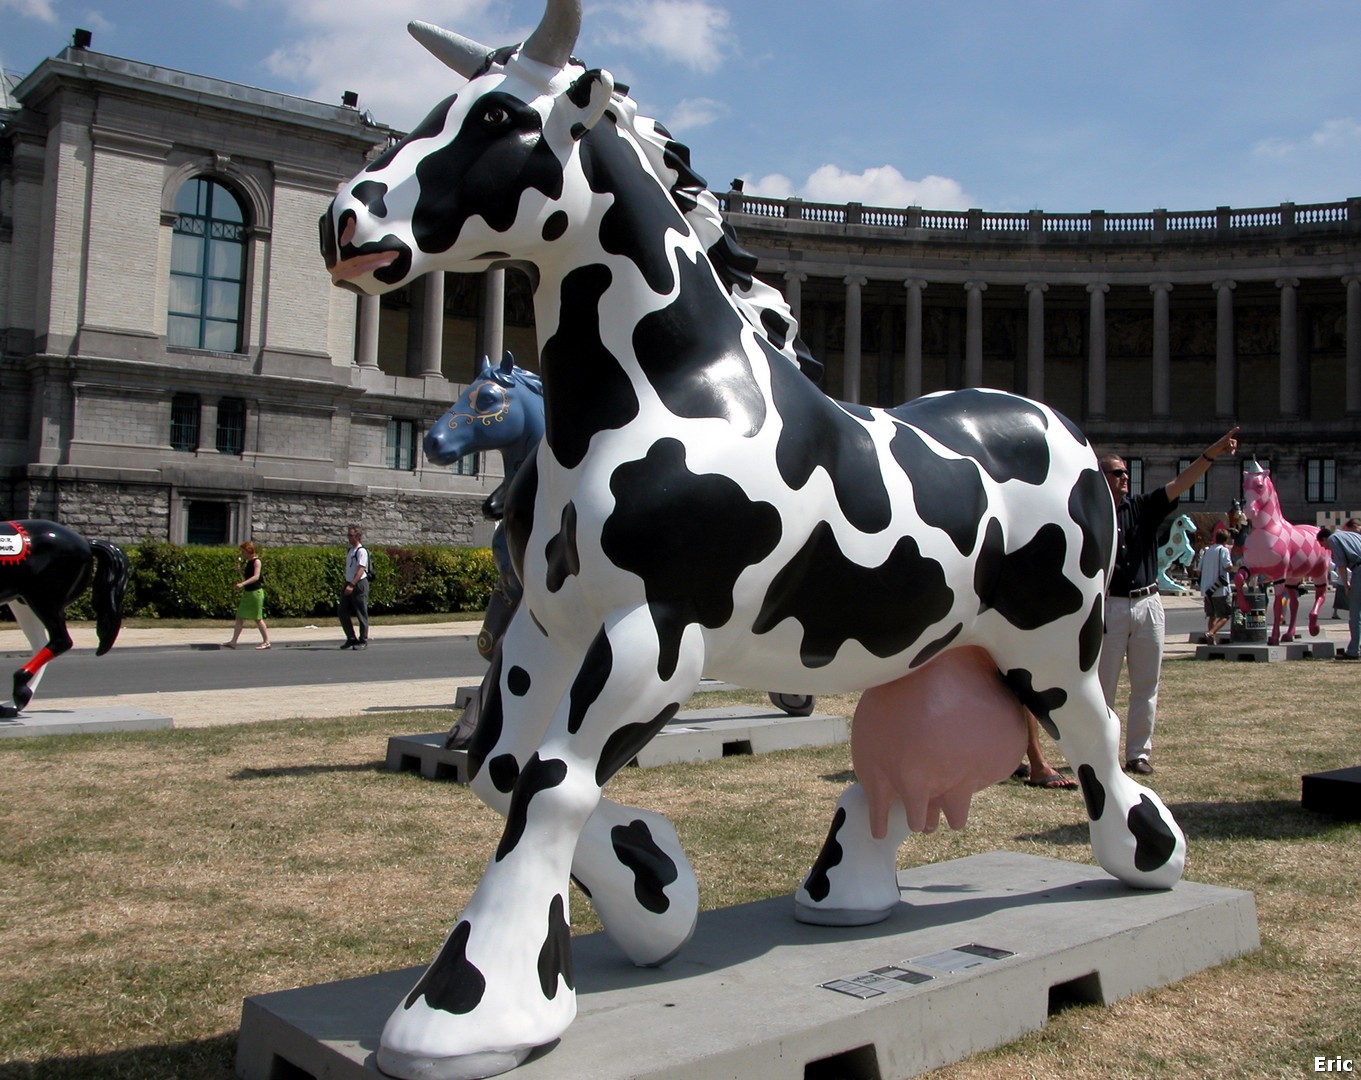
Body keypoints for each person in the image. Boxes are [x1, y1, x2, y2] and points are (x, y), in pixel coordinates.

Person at [1098, 427, 1240, 774]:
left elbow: (1180, 483)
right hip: (1110, 605)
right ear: (1100, 477)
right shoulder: (1090, 515)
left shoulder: (1142, 507)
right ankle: (1101, 754)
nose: (1125, 478)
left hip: (1147, 604)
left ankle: (1138, 754)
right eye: (1117, 473)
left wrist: (1211, 454)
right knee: (1104, 689)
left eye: (1126, 473)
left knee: (1147, 686)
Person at [1317, 524, 1361, 660]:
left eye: (1323, 545)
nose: (1325, 548)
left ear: (1324, 539)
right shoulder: (1351, 534)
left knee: (1355, 613)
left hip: (1359, 569)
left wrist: (1346, 586)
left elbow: (1341, 564)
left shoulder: (1333, 539)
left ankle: (1353, 651)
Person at [223, 541, 270, 650]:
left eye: (244, 552)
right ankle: (233, 641)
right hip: (248, 593)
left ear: (249, 551)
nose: (242, 554)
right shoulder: (249, 562)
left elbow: (256, 577)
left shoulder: (256, 562)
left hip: (256, 593)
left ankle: (266, 641)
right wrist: (240, 572)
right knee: (240, 617)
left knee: (258, 618)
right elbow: (247, 578)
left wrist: (242, 584)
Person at [1198, 528, 1234, 644]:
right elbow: (1228, 567)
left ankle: (1211, 641)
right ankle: (1211, 633)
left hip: (1207, 589)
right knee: (1226, 615)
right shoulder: (1223, 550)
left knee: (1211, 615)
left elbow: (1199, 570)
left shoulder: (1206, 551)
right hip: (1220, 589)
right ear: (1226, 540)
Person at [339, 524, 371, 649]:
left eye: (351, 535)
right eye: (348, 535)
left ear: (358, 536)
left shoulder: (361, 551)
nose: (349, 538)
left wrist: (352, 584)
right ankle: (351, 638)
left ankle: (363, 640)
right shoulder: (350, 550)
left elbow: (361, 569)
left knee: (361, 612)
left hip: (358, 584)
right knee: (342, 611)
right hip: (348, 583)